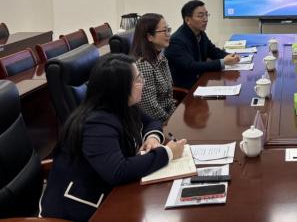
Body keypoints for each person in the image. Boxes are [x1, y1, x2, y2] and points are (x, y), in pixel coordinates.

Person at [40, 54, 187, 221]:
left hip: (110, 190)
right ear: (119, 88)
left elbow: (152, 122)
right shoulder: (96, 124)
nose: (143, 82)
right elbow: (118, 171)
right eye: (138, 80)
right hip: (81, 207)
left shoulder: (123, 105)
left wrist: (152, 138)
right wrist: (167, 153)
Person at [165, 0, 240, 88]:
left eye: (206, 15)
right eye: (200, 16)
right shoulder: (176, 41)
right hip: (187, 88)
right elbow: (191, 66)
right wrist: (223, 62)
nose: (205, 19)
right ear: (187, 20)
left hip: (202, 81)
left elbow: (213, 51)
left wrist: (230, 56)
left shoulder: (200, 33)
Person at [130, 13, 177, 123]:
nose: (168, 34)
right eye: (164, 31)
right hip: (155, 123)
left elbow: (169, 97)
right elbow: (150, 108)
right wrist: (171, 122)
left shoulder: (161, 57)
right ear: (149, 37)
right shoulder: (142, 64)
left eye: (168, 30)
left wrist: (175, 116)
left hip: (168, 116)